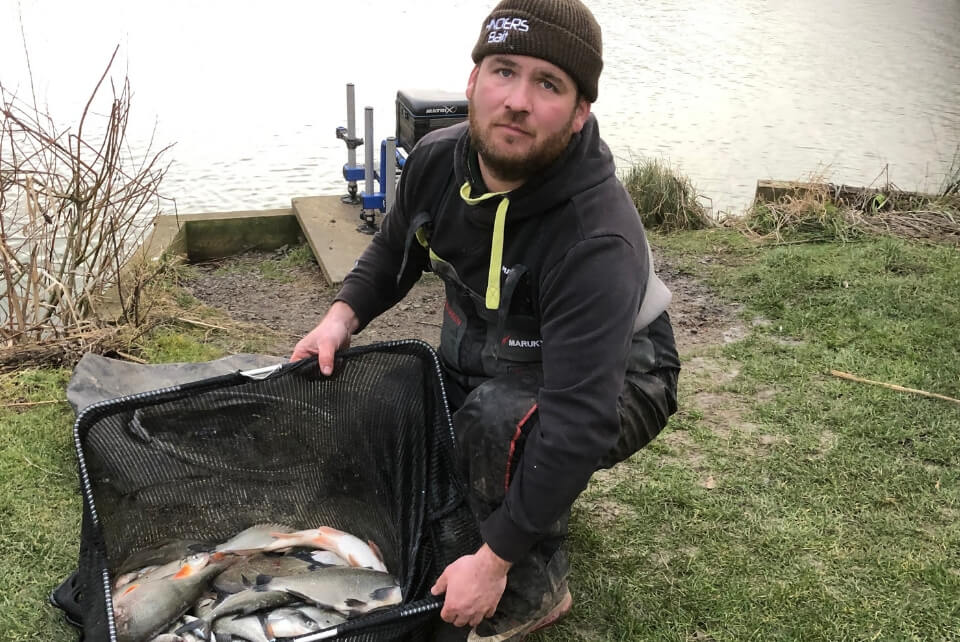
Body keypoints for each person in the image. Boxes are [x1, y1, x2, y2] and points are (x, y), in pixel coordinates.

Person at [291, 0, 681, 638]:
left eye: (548, 84)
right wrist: (339, 319)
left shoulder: (595, 237)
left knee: (499, 421)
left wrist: (494, 560)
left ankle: (534, 584)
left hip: (626, 377)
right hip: (496, 349)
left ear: (581, 111)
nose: (517, 101)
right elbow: (395, 248)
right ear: (473, 82)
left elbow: (581, 421)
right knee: (385, 398)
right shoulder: (435, 162)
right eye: (503, 71)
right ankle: (512, 499)